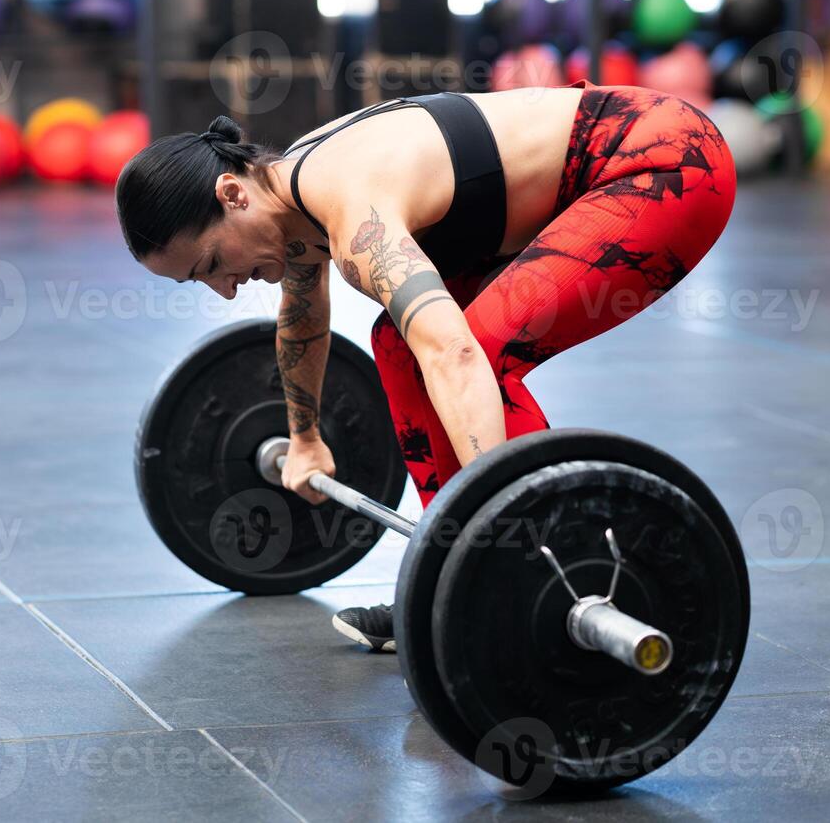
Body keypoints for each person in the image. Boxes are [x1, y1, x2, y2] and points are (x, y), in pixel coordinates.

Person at [116, 83, 736, 651]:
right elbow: (302, 320)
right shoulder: (289, 205)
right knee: (396, 341)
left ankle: (553, 565)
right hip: (591, 182)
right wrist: (305, 439)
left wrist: (498, 514)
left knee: (478, 349)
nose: (224, 291)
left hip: (663, 162)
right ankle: (452, 578)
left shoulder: (351, 213)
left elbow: (458, 354)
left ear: (232, 195)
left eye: (210, 265)